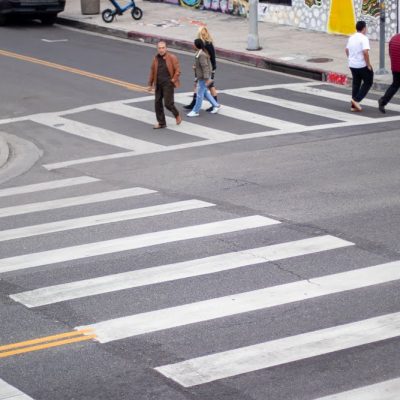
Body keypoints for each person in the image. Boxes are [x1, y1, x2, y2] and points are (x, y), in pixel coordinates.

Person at [147, 41, 182, 129]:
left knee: (168, 104)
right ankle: (161, 123)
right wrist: (150, 84)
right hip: (158, 84)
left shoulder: (172, 57)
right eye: (159, 48)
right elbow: (152, 71)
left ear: (166, 48)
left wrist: (173, 80)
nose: (161, 50)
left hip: (168, 84)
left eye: (163, 48)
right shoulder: (155, 58)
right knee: (157, 103)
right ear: (157, 49)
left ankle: (177, 114)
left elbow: (178, 71)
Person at [184, 26, 218, 112]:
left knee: (210, 86)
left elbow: (211, 58)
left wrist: (212, 69)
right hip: (201, 69)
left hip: (207, 69)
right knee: (197, 85)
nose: (203, 34)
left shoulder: (208, 44)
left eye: (203, 33)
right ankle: (194, 103)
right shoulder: (201, 43)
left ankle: (215, 104)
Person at [187, 39, 221, 117]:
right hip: (201, 77)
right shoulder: (200, 53)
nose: (193, 45)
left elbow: (205, 67)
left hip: (203, 77)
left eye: (194, 44)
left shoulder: (201, 54)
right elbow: (201, 66)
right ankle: (216, 105)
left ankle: (195, 111)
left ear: (196, 45)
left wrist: (207, 79)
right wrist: (195, 67)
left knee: (199, 94)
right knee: (205, 92)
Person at [345, 20, 374, 112]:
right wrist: (368, 65)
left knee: (356, 83)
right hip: (361, 65)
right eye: (366, 28)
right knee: (368, 81)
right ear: (364, 28)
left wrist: (350, 59)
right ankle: (356, 100)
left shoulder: (352, 37)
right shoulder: (364, 38)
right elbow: (365, 52)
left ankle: (353, 106)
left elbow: (346, 49)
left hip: (352, 65)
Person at [378, 33, 400, 113]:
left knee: (395, 85)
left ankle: (383, 101)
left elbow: (390, 53)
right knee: (395, 85)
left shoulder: (394, 38)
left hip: (395, 67)